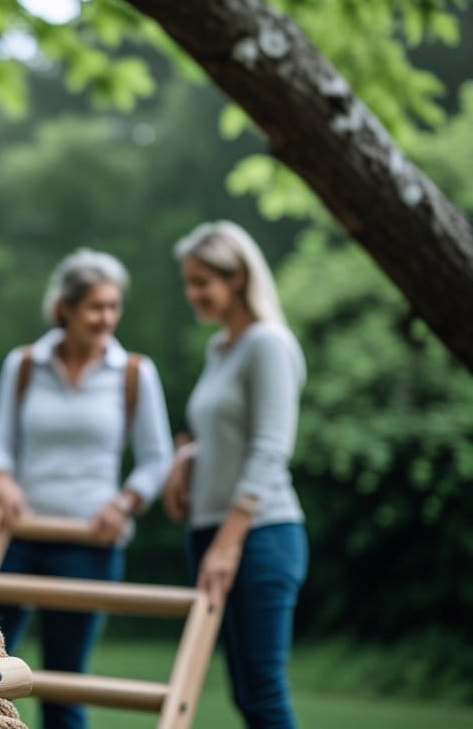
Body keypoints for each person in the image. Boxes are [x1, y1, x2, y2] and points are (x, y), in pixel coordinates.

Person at [0, 248, 174, 729]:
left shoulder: (133, 373)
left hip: (90, 543)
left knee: (64, 682)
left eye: (113, 306)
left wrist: (125, 504)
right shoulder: (24, 365)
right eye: (95, 307)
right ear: (64, 308)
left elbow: (157, 460)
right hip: (17, 539)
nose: (106, 318)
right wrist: (2, 480)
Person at [164, 220, 308, 729]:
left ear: (239, 277)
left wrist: (229, 541)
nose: (193, 293)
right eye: (189, 281)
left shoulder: (268, 343)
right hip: (213, 532)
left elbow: (271, 447)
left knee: (263, 694)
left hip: (260, 534)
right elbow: (226, 434)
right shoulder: (221, 347)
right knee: (246, 696)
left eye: (203, 281)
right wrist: (187, 461)